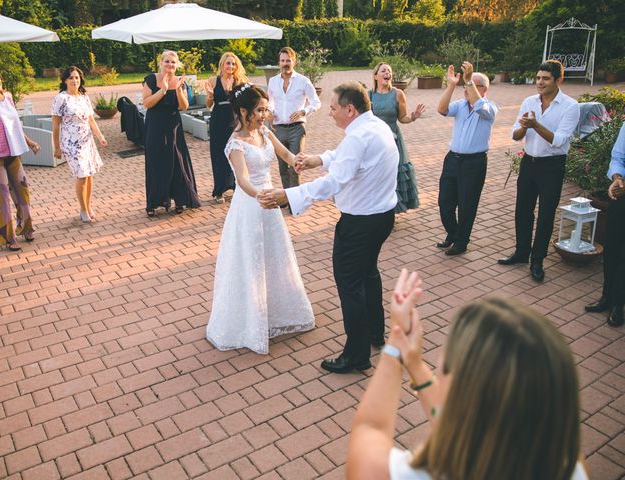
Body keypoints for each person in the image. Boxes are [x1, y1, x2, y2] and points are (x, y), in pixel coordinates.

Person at [347, 268, 589, 480]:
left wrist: (396, 343)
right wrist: (415, 364)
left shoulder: (416, 474)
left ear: (462, 391)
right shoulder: (569, 466)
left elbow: (370, 429)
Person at [259, 81, 398, 373]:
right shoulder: (375, 127)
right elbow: (349, 158)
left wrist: (290, 195)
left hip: (359, 223)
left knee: (350, 285)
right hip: (382, 216)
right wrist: (319, 159)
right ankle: (375, 333)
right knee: (369, 273)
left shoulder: (357, 138)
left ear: (350, 109)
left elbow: (336, 181)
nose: (330, 113)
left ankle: (357, 354)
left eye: (334, 108)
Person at [206, 83, 315, 354]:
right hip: (251, 205)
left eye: (266, 109)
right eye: (259, 110)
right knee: (251, 261)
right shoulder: (235, 144)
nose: (264, 115)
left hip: (270, 202)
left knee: (275, 257)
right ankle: (249, 319)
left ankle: (277, 313)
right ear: (243, 111)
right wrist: (262, 195)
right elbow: (242, 179)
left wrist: (302, 161)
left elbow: (286, 155)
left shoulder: (264, 131)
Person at [498, 60, 580, 282]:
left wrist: (536, 126)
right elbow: (515, 135)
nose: (540, 83)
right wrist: (524, 127)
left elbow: (560, 140)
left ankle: (537, 261)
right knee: (522, 210)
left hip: (552, 166)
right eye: (538, 78)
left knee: (545, 215)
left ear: (558, 80)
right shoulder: (529, 101)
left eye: (545, 78)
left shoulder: (570, 106)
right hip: (529, 163)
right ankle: (522, 252)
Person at [436, 61, 497, 255]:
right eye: (466, 84)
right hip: (452, 159)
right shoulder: (460, 105)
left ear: (483, 89)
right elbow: (441, 109)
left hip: (474, 163)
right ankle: (453, 234)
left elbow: (479, 105)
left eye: (471, 83)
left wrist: (468, 80)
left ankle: (461, 242)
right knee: (445, 202)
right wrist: (452, 84)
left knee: (467, 204)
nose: (466, 87)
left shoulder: (489, 108)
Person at [0, 65, 39, 251]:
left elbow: (15, 125)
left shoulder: (7, 97)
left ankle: (26, 227)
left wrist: (30, 142)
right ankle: (8, 238)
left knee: (22, 191)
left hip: (13, 153)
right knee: (2, 198)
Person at [142, 50, 200, 217]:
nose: (170, 65)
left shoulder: (180, 82)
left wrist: (179, 91)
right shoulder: (151, 79)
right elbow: (147, 104)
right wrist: (163, 91)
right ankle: (154, 202)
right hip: (155, 125)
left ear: (177, 65)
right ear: (161, 62)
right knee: (156, 162)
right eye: (167, 61)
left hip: (174, 126)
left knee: (176, 161)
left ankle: (180, 200)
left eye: (173, 62)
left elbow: (184, 107)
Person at [52, 66, 107, 223]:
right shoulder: (60, 99)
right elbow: (55, 125)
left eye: (76, 77)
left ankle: (88, 206)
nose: (74, 80)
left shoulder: (84, 97)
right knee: (82, 175)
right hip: (71, 143)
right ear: (65, 80)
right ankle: (83, 210)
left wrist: (100, 136)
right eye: (71, 78)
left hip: (87, 141)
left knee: (89, 176)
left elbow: (90, 119)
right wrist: (56, 147)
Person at [585, 123, 625, 327]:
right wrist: (617, 178)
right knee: (611, 248)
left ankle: (619, 304)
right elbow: (618, 157)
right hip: (621, 196)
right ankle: (606, 297)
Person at [370, 62, 423, 214]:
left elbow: (403, 118)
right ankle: (376, 209)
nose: (387, 73)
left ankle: (390, 212)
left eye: (389, 71)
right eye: (383, 70)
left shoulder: (398, 94)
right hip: (375, 142)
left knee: (393, 176)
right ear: (375, 76)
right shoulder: (369, 95)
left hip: (393, 141)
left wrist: (413, 117)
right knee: (376, 175)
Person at [267, 46, 321, 191]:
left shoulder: (303, 81)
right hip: (278, 129)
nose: (285, 63)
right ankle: (287, 196)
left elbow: (316, 102)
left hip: (297, 129)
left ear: (294, 62)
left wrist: (304, 111)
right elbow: (270, 101)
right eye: (282, 60)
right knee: (283, 167)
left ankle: (295, 199)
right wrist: (270, 111)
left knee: (295, 165)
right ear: (279, 63)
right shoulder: (272, 81)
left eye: (288, 60)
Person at [205, 52, 248, 203]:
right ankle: (219, 190)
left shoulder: (240, 81)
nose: (230, 66)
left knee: (237, 154)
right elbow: (209, 105)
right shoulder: (213, 80)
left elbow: (245, 103)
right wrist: (210, 95)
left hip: (235, 121)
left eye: (233, 64)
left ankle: (238, 186)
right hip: (218, 121)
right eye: (228, 63)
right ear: (222, 64)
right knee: (218, 155)